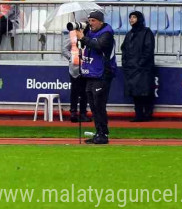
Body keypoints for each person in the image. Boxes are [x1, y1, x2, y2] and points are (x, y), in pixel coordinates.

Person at [74, 10, 117, 145]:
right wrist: (81, 38)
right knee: (93, 105)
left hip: (103, 73)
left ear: (100, 21)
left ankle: (103, 134)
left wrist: (84, 38)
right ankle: (98, 132)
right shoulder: (89, 32)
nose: (91, 23)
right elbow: (82, 46)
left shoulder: (107, 34)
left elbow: (99, 46)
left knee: (99, 105)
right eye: (89, 20)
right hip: (91, 72)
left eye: (93, 21)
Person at [121, 11, 155, 122]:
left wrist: (140, 63)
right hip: (131, 68)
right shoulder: (129, 34)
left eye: (134, 17)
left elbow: (148, 50)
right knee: (135, 93)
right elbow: (124, 49)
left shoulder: (146, 32)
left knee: (145, 92)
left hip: (143, 69)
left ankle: (147, 114)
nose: (131, 19)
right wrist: (125, 62)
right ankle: (138, 115)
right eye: (130, 17)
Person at [61, 28, 89, 124]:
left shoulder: (90, 34)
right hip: (75, 68)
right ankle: (73, 112)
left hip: (87, 68)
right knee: (75, 91)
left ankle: (83, 113)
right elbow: (64, 49)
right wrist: (71, 58)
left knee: (85, 92)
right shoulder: (73, 35)